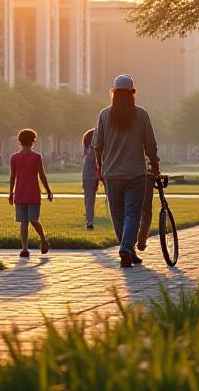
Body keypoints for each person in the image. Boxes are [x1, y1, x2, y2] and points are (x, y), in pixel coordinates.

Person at [92, 74, 160, 269]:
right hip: (136, 173)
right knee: (132, 214)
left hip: (112, 173)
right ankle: (127, 248)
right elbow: (150, 145)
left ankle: (126, 248)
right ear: (133, 93)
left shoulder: (104, 115)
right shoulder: (141, 115)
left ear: (112, 92)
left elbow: (97, 145)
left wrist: (99, 167)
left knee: (118, 215)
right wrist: (154, 165)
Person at [9, 129, 54, 257]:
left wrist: (11, 193)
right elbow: (42, 177)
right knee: (27, 220)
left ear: (19, 141)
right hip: (29, 192)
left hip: (23, 192)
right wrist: (48, 191)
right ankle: (25, 248)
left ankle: (43, 240)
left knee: (30, 219)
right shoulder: (34, 157)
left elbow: (13, 177)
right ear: (33, 141)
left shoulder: (16, 158)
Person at [81, 129, 102, 230]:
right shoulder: (91, 150)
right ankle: (89, 221)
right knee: (89, 200)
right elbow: (92, 159)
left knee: (89, 200)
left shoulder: (86, 149)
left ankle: (89, 220)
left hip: (89, 175)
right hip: (92, 175)